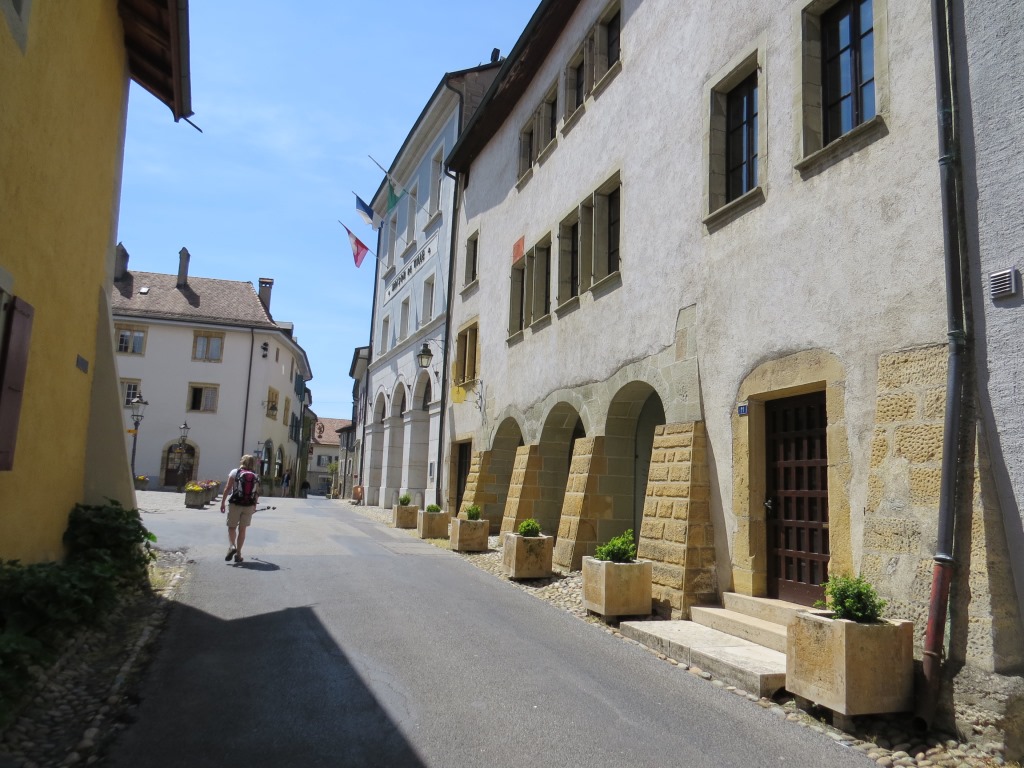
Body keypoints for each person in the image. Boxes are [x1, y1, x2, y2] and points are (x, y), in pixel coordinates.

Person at [220, 454, 260, 564]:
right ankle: (238, 554)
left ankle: (232, 546)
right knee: (242, 530)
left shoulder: (235, 472)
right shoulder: (255, 476)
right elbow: (256, 493)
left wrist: (223, 502)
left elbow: (227, 488)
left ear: (242, 461)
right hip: (248, 505)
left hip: (235, 503)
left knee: (232, 527)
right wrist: (254, 506)